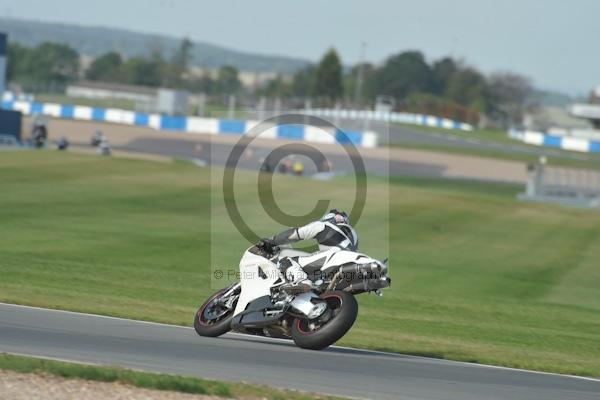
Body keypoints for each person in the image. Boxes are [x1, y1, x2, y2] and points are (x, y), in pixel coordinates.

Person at [259, 209, 358, 290]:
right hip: (350, 265)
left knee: (288, 261)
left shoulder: (324, 225)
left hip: (334, 256)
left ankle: (301, 281)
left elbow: (295, 234)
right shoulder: (352, 232)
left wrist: (271, 241)